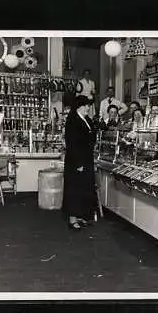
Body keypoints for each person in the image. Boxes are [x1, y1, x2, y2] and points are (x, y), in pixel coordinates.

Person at [62, 95, 98, 231]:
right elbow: (71, 144)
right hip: (76, 161)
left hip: (87, 158)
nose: (89, 108)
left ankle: (81, 215)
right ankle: (72, 219)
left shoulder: (86, 119)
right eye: (87, 105)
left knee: (84, 189)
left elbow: (91, 136)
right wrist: (78, 163)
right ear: (80, 106)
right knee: (74, 189)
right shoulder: (72, 120)